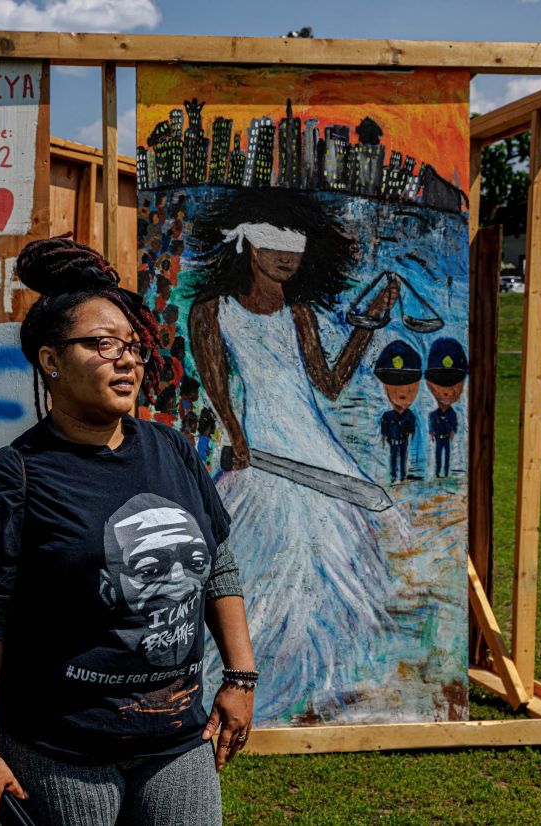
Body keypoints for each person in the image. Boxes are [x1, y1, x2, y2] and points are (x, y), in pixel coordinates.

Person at [0, 237, 256, 826]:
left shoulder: (172, 450)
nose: (127, 360)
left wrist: (240, 677)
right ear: (51, 361)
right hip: (61, 750)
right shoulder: (11, 480)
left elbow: (218, 563)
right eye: (102, 344)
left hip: (176, 743)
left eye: (133, 347)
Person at [186, 190, 404, 722]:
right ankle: (249, 682)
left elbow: (328, 384)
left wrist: (366, 327)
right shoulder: (212, 311)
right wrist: (235, 436)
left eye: (296, 249)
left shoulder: (299, 313)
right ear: (249, 246)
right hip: (261, 451)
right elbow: (216, 382)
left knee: (335, 564)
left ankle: (322, 685)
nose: (287, 258)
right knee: (265, 565)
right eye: (275, 245)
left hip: (315, 450)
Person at [374, 340, 422, 484]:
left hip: (403, 442)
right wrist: (383, 438)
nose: (402, 392)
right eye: (395, 388)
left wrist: (412, 434)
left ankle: (402, 476)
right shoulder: (387, 416)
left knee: (403, 458)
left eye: (409, 389)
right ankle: (394, 476)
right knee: (393, 459)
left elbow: (412, 428)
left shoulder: (410, 415)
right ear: (386, 388)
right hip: (393, 443)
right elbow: (384, 429)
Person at [425, 338, 467, 478]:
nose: (448, 391)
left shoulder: (452, 413)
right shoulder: (433, 414)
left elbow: (453, 423)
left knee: (446, 455)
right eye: (441, 382)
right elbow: (432, 424)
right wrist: (432, 432)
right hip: (438, 438)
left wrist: (453, 431)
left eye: (454, 383)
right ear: (429, 384)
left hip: (446, 438)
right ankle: (438, 473)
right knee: (438, 455)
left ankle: (446, 472)